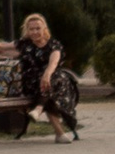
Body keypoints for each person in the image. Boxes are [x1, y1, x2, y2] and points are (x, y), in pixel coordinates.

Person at [15, 11, 79, 140]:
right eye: (31, 29)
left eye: (38, 28)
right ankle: (58, 132)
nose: (35, 32)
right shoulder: (24, 44)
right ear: (27, 30)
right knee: (51, 87)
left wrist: (47, 74)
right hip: (31, 84)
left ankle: (39, 109)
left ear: (44, 28)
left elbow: (54, 61)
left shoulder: (53, 45)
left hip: (49, 81)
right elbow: (1, 48)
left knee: (51, 83)